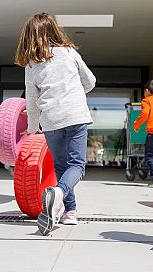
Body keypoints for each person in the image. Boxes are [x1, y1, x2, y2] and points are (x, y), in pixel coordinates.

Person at [15, 13, 96, 235]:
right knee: (77, 165)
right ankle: (59, 193)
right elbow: (90, 81)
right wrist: (76, 90)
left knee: (61, 165)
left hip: (50, 120)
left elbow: (32, 102)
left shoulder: (31, 65)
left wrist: (32, 128)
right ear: (54, 31)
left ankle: (70, 212)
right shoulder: (69, 53)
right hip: (75, 116)